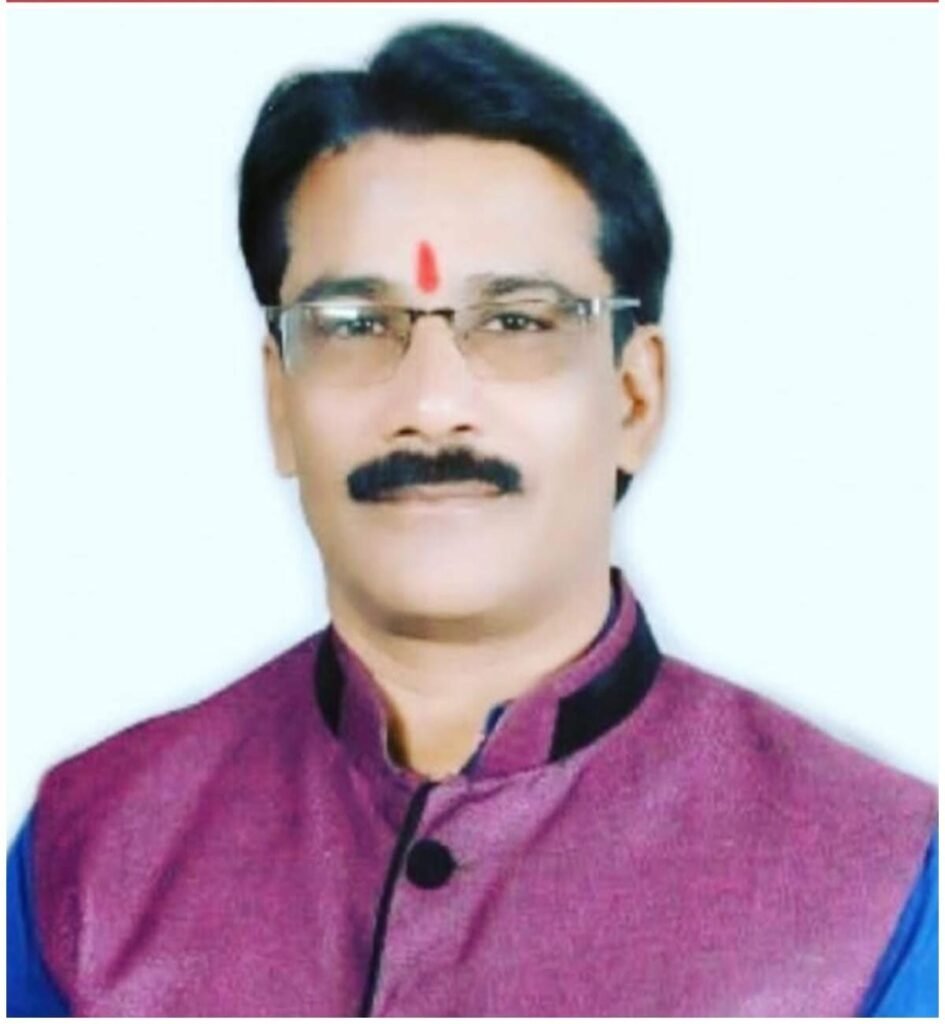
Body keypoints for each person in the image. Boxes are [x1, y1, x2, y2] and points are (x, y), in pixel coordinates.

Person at [6, 21, 937, 1017]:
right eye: (355, 326)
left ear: (634, 395)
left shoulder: (872, 879)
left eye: (517, 322)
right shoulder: (90, 852)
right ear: (279, 400)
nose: (432, 402)